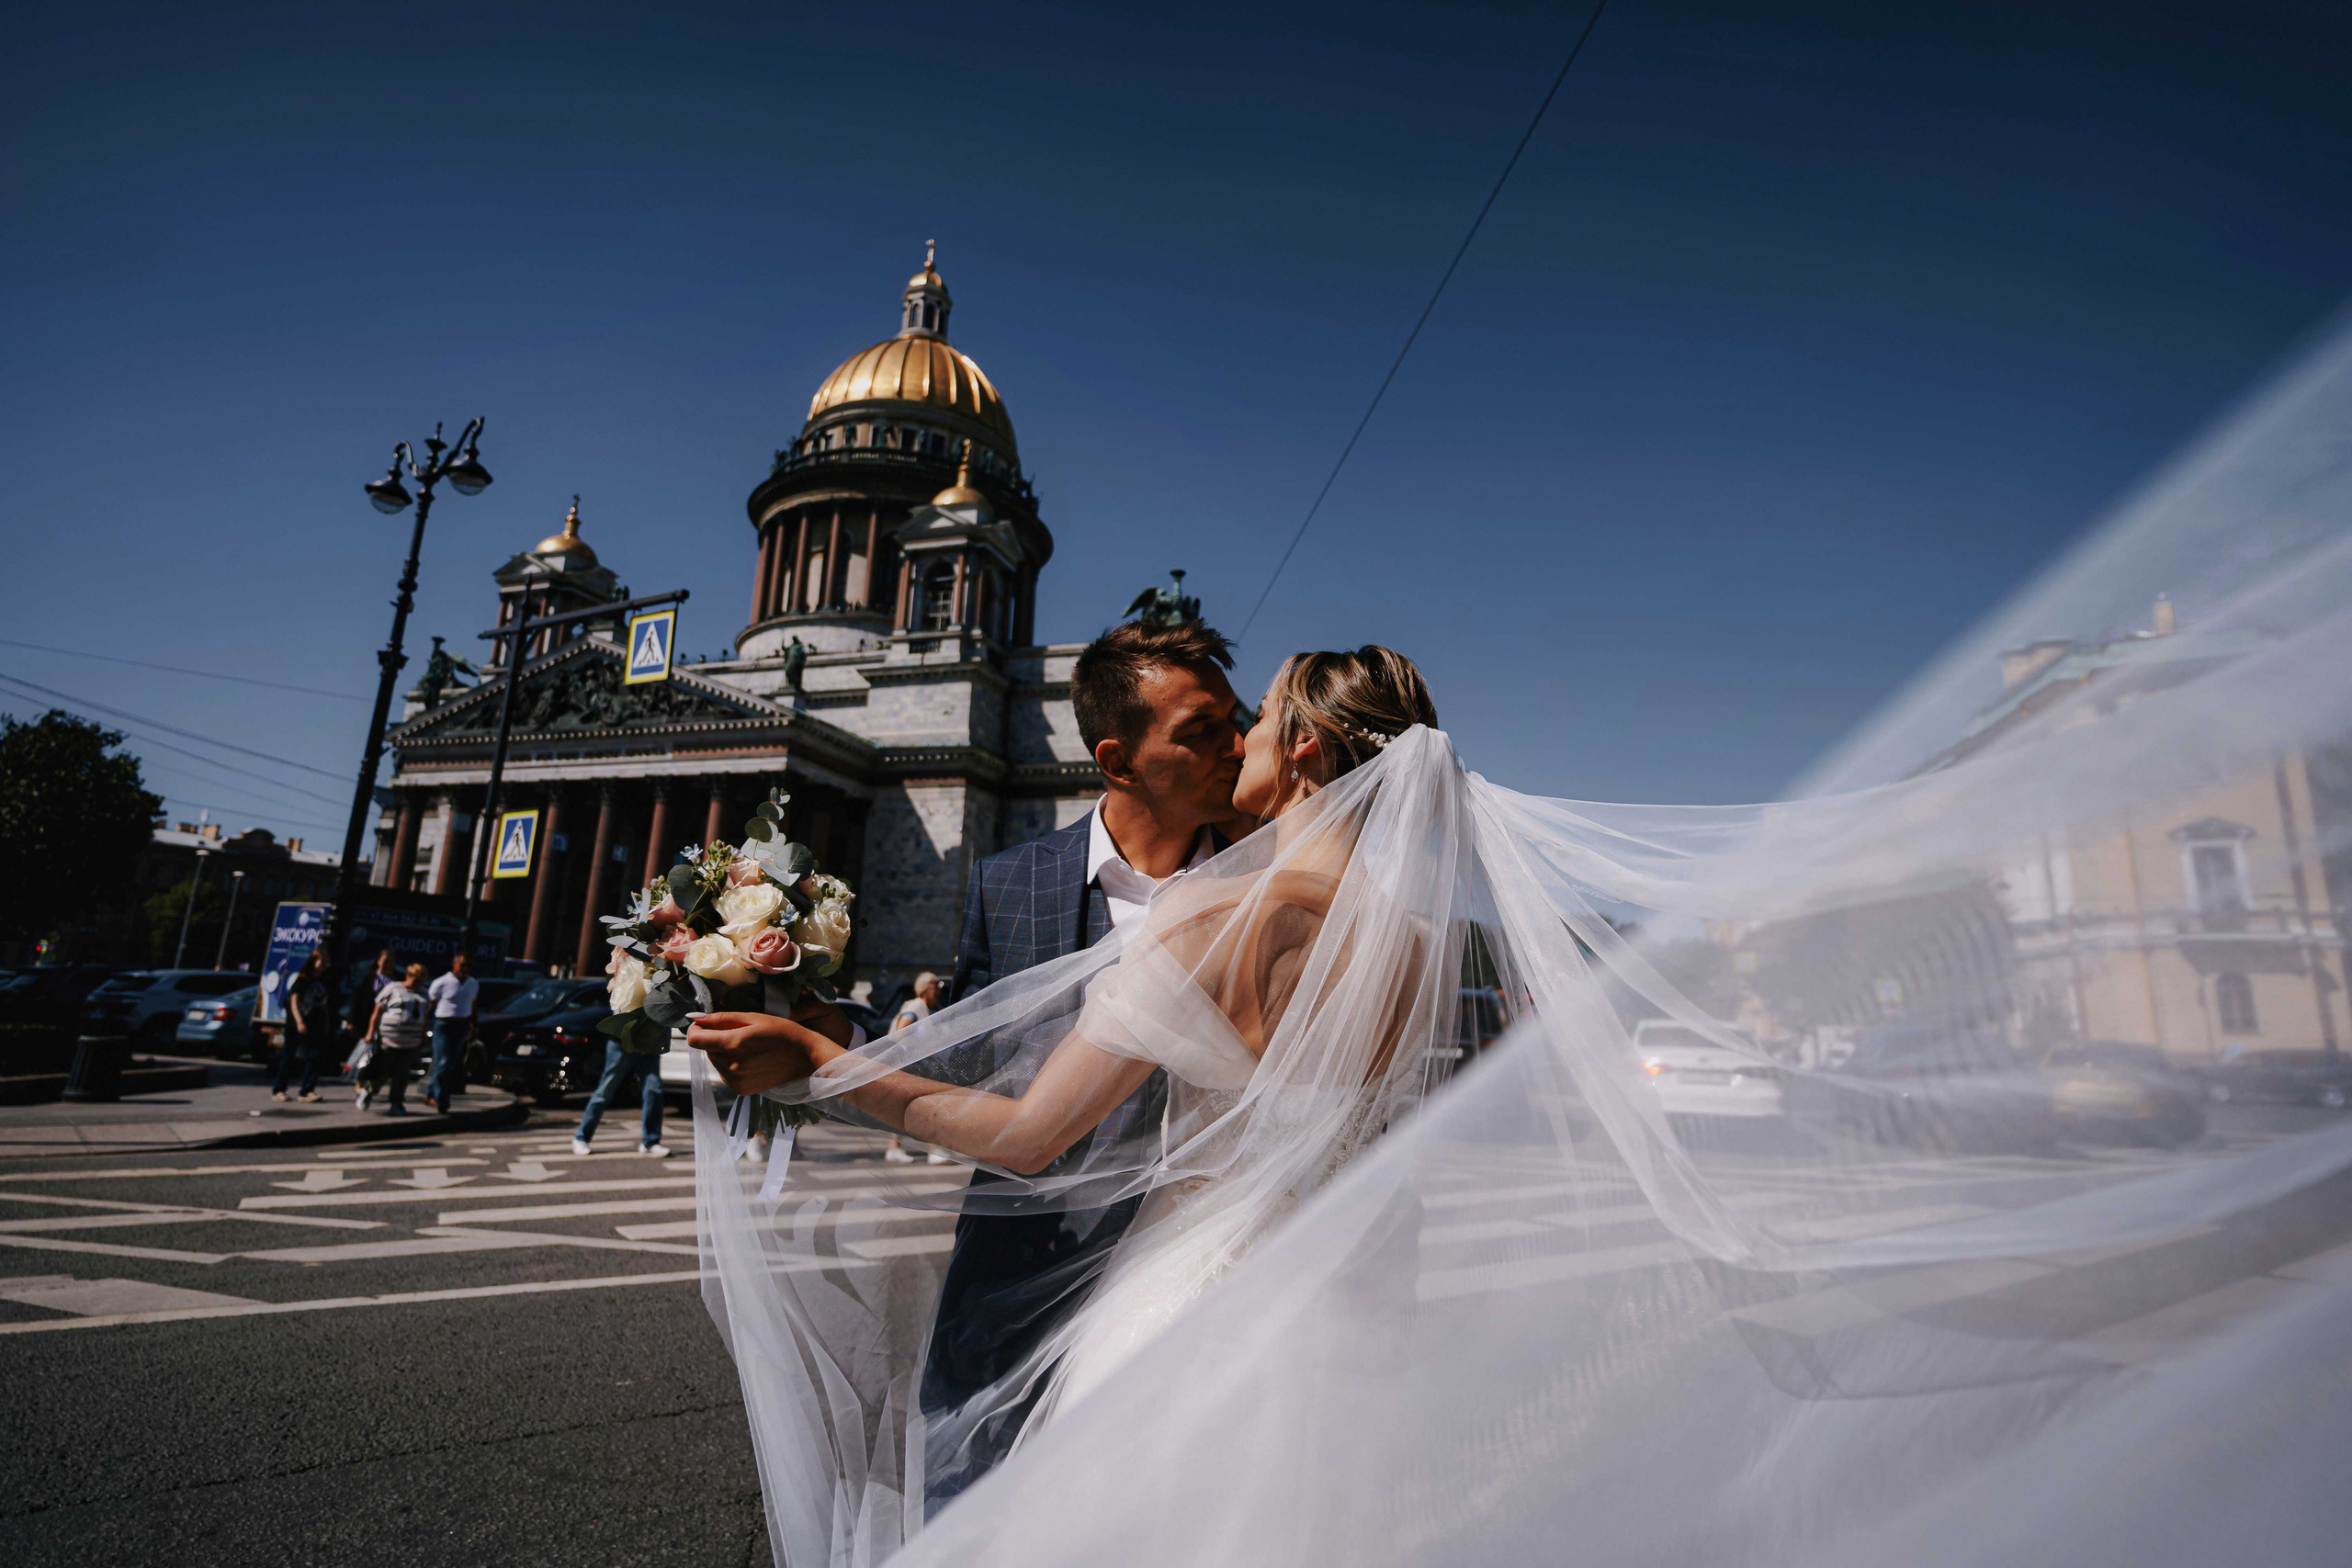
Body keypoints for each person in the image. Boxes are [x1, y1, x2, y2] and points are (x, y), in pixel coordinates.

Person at [695, 616, 1256, 1506]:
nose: (1242, 746)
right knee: (974, 1518)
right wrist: (820, 1035)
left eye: (1241, 719)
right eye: (1204, 732)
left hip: (1201, 1284)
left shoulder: (1268, 891)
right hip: (1017, 1274)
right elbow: (964, 1055)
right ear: (1117, 763)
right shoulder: (1013, 881)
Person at [883, 972, 946, 1165]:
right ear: (926, 989)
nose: (939, 991)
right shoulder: (915, 1007)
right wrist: (917, 1054)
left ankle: (897, 1149)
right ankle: (933, 1150)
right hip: (912, 1067)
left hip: (915, 1067)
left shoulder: (924, 1009)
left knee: (908, 1109)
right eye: (937, 986)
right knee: (925, 1108)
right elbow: (899, 1034)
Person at [571, 1041, 669, 1158]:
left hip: (649, 1045)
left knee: (653, 1090)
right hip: (621, 1042)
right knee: (605, 1091)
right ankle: (581, 1137)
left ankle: (650, 1142)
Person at [358, 963, 431, 1114]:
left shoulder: (424, 994)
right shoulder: (393, 988)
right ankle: (369, 1092)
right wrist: (371, 1032)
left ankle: (396, 1103)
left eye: (421, 981)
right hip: (389, 1039)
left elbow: (425, 1017)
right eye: (416, 980)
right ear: (408, 976)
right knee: (382, 1072)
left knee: (402, 1074)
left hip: (411, 1041)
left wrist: (423, 1035)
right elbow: (377, 1011)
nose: (418, 984)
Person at [272, 951, 334, 1102]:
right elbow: (293, 1002)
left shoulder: (324, 981)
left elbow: (324, 1006)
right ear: (313, 962)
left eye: (326, 962)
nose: (324, 965)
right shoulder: (302, 980)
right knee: (288, 1057)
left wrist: (326, 1023)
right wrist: (299, 1021)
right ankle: (279, 1090)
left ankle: (306, 1091)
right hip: (297, 1024)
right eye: (322, 961)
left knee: (314, 1058)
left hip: (316, 1024)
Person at [422, 952, 478, 1115]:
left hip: (462, 1025)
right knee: (443, 1061)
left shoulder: (473, 983)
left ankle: (430, 1093)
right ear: (454, 965)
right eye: (462, 965)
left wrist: (474, 1026)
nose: (465, 969)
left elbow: (473, 1006)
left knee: (450, 1064)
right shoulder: (442, 982)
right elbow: (429, 1005)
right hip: (444, 1025)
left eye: (468, 966)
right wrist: (424, 1026)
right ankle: (442, 1099)